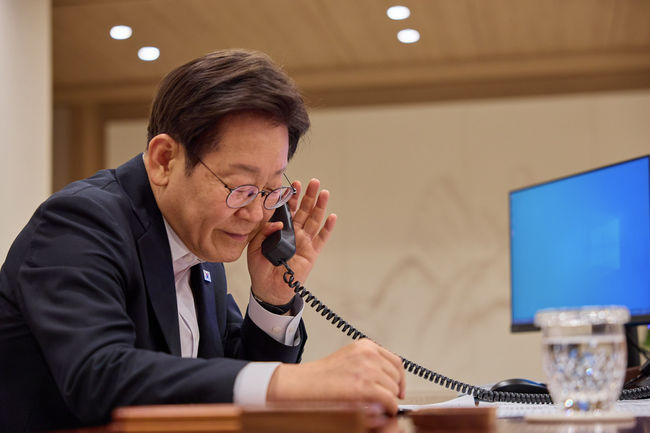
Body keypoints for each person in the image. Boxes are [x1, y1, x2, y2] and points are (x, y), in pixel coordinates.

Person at [0, 49, 405, 432]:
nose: (255, 213)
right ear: (164, 160)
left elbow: (223, 383)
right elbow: (100, 376)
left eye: (270, 190)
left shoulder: (199, 245)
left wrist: (273, 300)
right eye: (240, 187)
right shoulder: (80, 222)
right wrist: (297, 382)